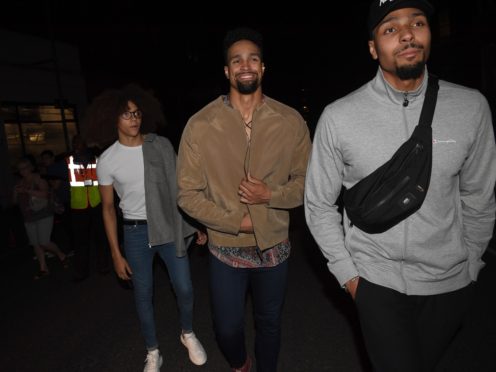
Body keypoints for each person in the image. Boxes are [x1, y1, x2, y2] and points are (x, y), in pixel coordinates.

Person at [304, 1, 496, 371]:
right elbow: (317, 204)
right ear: (374, 48)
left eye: (418, 23)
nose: (407, 34)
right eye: (391, 28)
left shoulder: (471, 107)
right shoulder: (339, 116)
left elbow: (479, 196)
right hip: (376, 280)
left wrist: (471, 265)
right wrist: (350, 275)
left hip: (450, 282)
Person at [177, 27, 312, 372]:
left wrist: (271, 195)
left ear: (263, 67)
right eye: (236, 60)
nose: (245, 65)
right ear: (227, 71)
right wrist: (236, 221)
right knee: (227, 329)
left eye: (253, 58)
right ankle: (241, 364)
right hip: (225, 247)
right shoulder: (201, 124)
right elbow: (187, 194)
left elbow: (308, 184)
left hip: (274, 247)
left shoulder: (290, 121)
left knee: (269, 323)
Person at [87, 84, 207, 372]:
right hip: (136, 233)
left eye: (137, 113)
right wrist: (116, 253)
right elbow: (107, 209)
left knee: (185, 288)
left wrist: (196, 223)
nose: (134, 119)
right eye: (126, 115)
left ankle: (187, 332)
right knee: (143, 294)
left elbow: (181, 187)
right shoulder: (107, 160)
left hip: (168, 227)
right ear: (112, 119)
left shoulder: (160, 145)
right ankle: (153, 351)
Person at [14, 157, 68, 279]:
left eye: (25, 168)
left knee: (44, 241)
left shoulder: (38, 179)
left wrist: (27, 191)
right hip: (28, 217)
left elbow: (45, 194)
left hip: (43, 214)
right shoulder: (19, 182)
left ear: (31, 168)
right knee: (35, 244)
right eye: (20, 169)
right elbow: (14, 201)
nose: (23, 171)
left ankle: (61, 255)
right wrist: (16, 192)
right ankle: (43, 268)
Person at [67, 134, 110, 280]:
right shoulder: (68, 161)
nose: (77, 145)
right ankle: (81, 271)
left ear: (85, 144)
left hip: (97, 204)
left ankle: (103, 265)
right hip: (78, 207)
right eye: (75, 143)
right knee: (80, 241)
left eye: (80, 143)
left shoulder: (97, 160)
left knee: (101, 237)